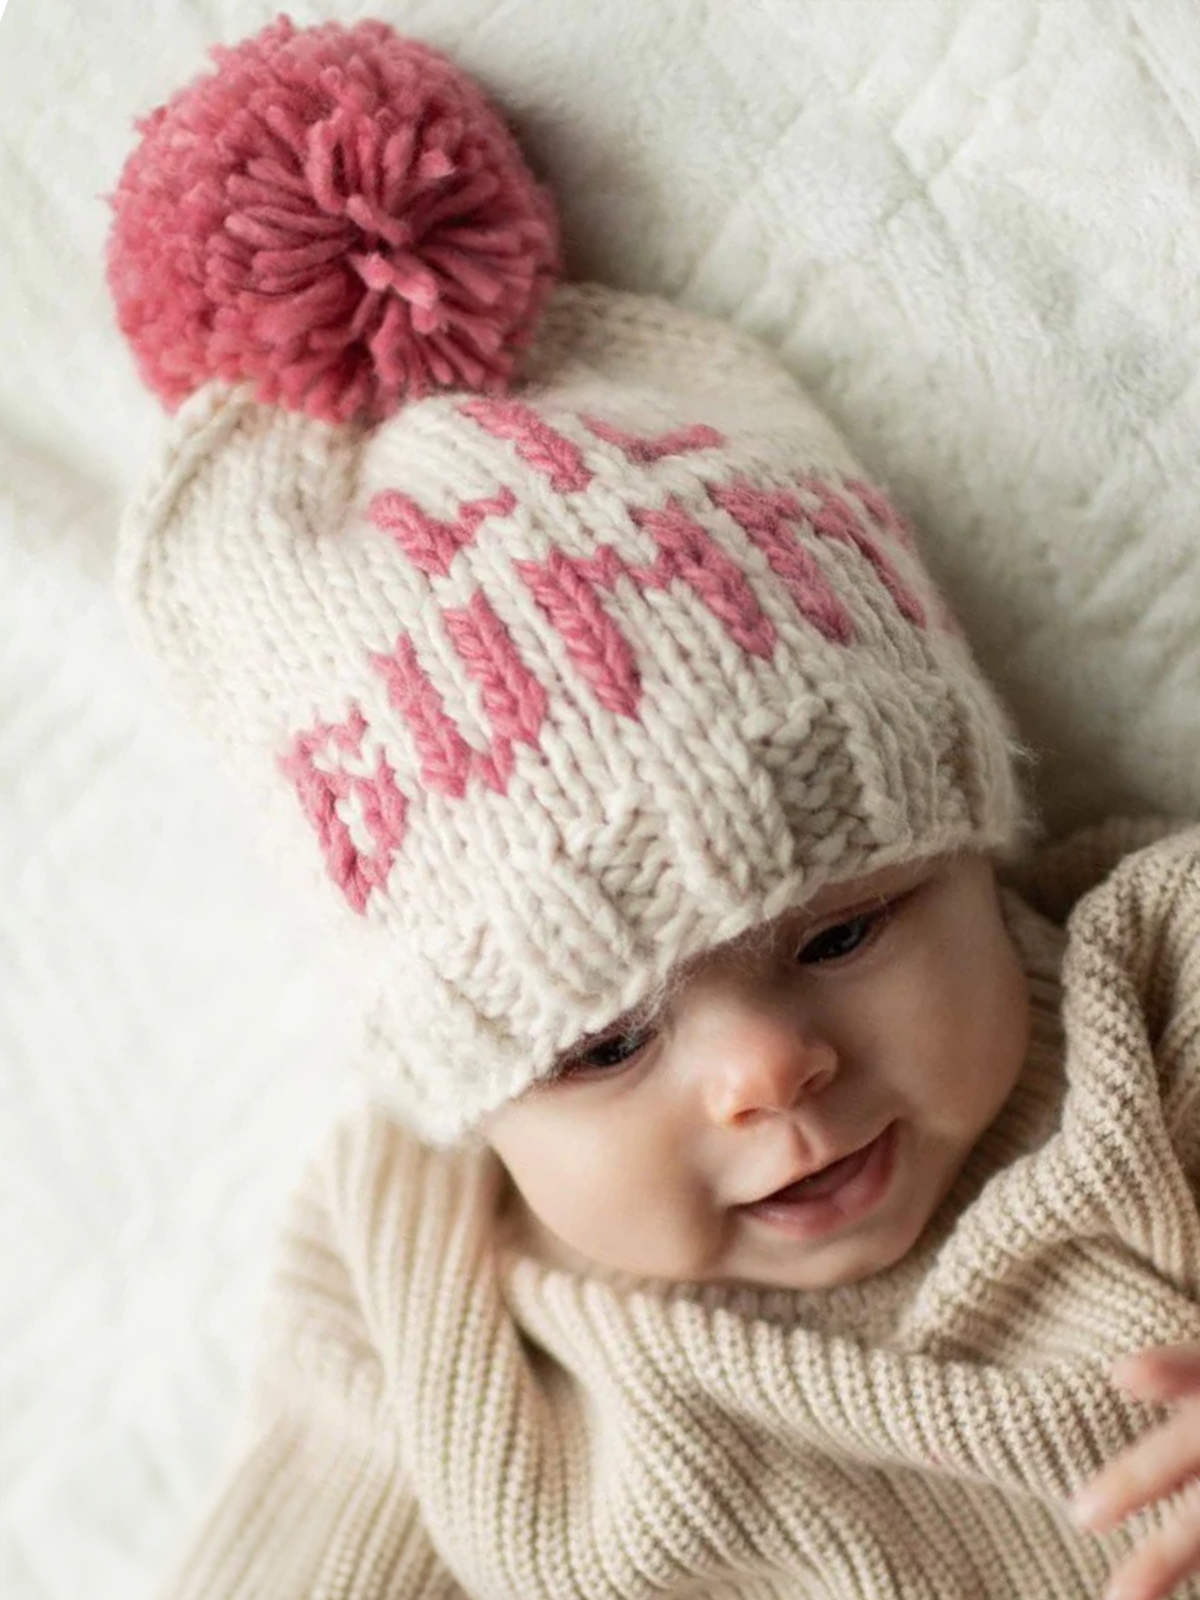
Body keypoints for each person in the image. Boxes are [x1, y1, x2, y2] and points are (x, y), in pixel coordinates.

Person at [104, 16, 1200, 1600]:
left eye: (842, 927)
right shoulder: (426, 1301)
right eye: (603, 1045)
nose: (764, 1069)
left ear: (971, 843)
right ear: (472, 1092)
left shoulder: (1156, 1002)